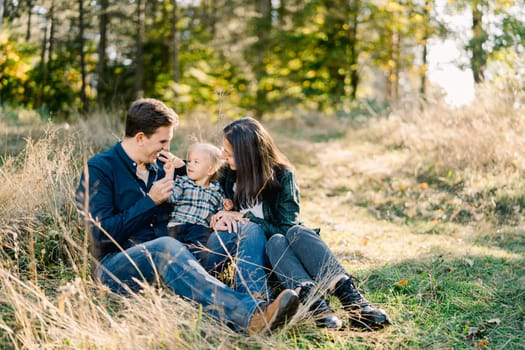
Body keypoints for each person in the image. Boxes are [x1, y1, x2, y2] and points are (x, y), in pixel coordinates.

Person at [75, 98, 299, 335]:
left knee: (245, 228)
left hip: (181, 256)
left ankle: (260, 302)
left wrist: (221, 215)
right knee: (165, 246)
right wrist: (149, 202)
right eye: (162, 142)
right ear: (140, 138)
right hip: (119, 267)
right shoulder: (100, 169)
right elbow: (98, 236)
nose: (166, 149)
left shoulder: (161, 166)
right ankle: (248, 315)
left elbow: (198, 191)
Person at [205, 117, 390, 330]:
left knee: (294, 233)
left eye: (229, 151)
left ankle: (352, 306)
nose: (223, 155)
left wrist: (247, 217)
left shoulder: (283, 175)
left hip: (281, 254)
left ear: (248, 153)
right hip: (255, 259)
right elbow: (196, 178)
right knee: (272, 236)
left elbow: (286, 227)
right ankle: (321, 306)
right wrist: (216, 215)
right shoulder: (227, 174)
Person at [164, 142, 232, 262]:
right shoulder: (182, 181)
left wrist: (227, 207)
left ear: (210, 170)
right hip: (177, 225)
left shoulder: (216, 190)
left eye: (196, 162)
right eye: (189, 161)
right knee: (172, 252)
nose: (189, 165)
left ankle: (193, 269)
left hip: (201, 228)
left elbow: (219, 214)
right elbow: (171, 198)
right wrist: (169, 176)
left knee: (198, 252)